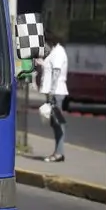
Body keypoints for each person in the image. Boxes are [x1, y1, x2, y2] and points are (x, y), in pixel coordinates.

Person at [39, 30, 69, 162]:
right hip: (53, 92)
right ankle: (58, 152)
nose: (44, 45)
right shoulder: (54, 52)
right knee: (55, 123)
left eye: (44, 42)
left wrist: (51, 92)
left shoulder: (58, 52)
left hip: (56, 92)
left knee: (58, 123)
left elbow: (56, 72)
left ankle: (59, 153)